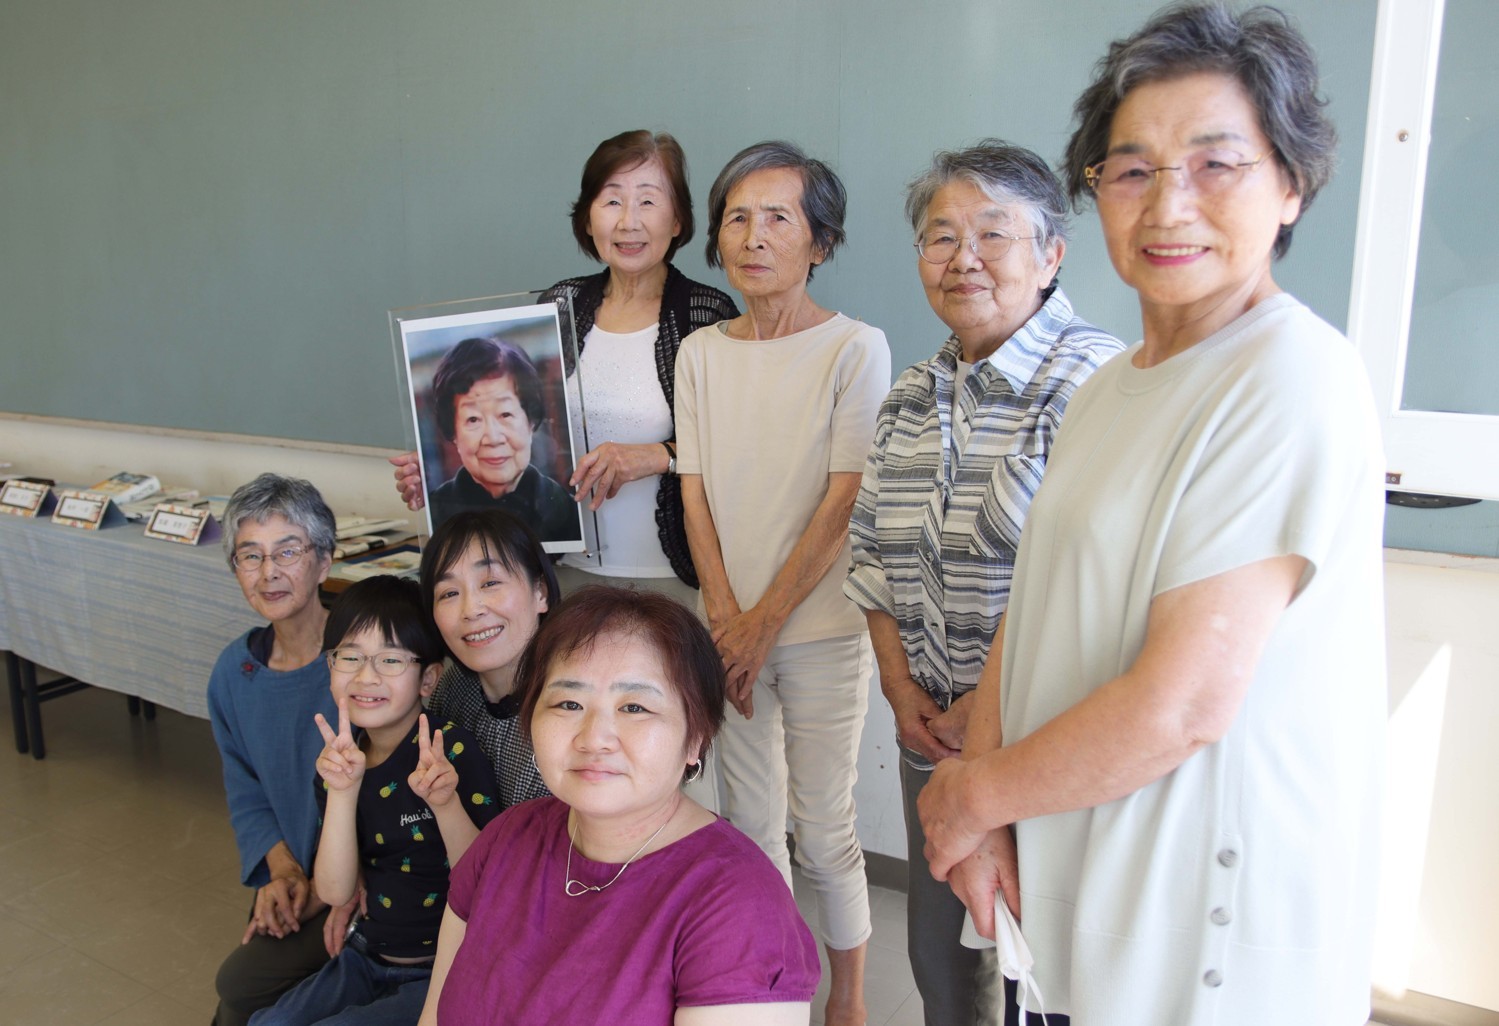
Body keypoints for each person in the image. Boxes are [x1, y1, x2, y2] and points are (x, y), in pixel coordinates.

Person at [918, 5, 1385, 1025]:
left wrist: (971, 796)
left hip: (1200, 916)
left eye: (1215, 165)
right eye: (1130, 171)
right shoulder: (1109, 388)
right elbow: (1034, 609)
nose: (1168, 205)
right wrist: (982, 798)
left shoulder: (1289, 375)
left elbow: (1183, 705)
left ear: (1290, 183)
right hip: (1082, 869)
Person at [844, 141, 1124, 1026]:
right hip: (930, 733)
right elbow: (869, 554)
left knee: (1047, 968)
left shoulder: (1096, 381)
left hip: (1044, 740)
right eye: (940, 237)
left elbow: (1074, 574)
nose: (963, 257)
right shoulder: (911, 392)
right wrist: (900, 694)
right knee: (943, 961)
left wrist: (983, 716)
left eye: (992, 234)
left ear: (1050, 254)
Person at [675, 140, 891, 1026]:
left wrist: (761, 623)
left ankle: (850, 1001)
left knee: (825, 827)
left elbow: (843, 500)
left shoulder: (855, 348)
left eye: (777, 217)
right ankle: (769, 997)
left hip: (821, 632)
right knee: (749, 826)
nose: (752, 236)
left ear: (819, 242)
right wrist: (724, 618)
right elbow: (693, 492)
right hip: (725, 630)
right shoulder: (700, 353)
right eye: (736, 217)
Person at [417, 586, 820, 1026]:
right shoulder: (505, 839)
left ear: (695, 739)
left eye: (634, 707)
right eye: (569, 703)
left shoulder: (740, 907)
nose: (594, 738)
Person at [392, 129, 739, 598]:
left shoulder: (706, 314)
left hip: (669, 579)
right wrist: (435, 479)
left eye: (648, 201)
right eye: (611, 201)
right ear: (588, 219)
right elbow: (521, 435)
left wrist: (658, 456)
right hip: (559, 572)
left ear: (677, 220)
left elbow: (739, 447)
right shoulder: (561, 303)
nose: (629, 222)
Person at [249, 576, 499, 1026]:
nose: (367, 676)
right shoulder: (339, 764)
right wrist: (342, 793)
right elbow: (336, 891)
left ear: (427, 679)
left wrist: (444, 804)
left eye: (390, 659)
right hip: (366, 957)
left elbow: (486, 881)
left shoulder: (451, 751)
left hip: (444, 970)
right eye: (350, 656)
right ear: (330, 666)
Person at [209, 473, 343, 1026]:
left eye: (288, 551)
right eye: (251, 556)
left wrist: (324, 887)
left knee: (242, 995)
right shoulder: (233, 672)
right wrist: (281, 871)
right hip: (288, 873)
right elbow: (245, 787)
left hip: (364, 883)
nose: (269, 573)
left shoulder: (364, 663)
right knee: (239, 1000)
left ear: (324, 561)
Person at [418, 509, 559, 807]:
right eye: (449, 593)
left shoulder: (570, 707)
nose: (471, 610)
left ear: (541, 593)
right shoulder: (454, 688)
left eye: (490, 583)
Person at [423, 335, 580, 542]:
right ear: (453, 433)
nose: (493, 438)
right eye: (473, 419)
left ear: (531, 420)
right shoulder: (432, 516)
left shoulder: (568, 513)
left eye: (505, 414)